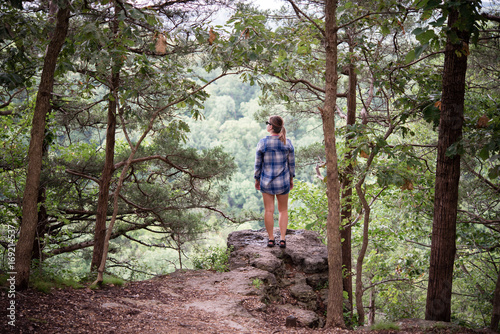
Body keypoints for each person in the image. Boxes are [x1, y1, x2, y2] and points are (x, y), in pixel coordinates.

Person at [254, 115, 295, 248]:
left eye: (267, 123)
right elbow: (291, 164)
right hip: (283, 182)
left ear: (271, 127)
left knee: (269, 211)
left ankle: (271, 239)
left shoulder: (263, 143)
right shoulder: (287, 142)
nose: (267, 125)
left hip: (266, 182)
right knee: (283, 210)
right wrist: (291, 179)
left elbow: (258, 164)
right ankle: (282, 239)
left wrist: (257, 179)